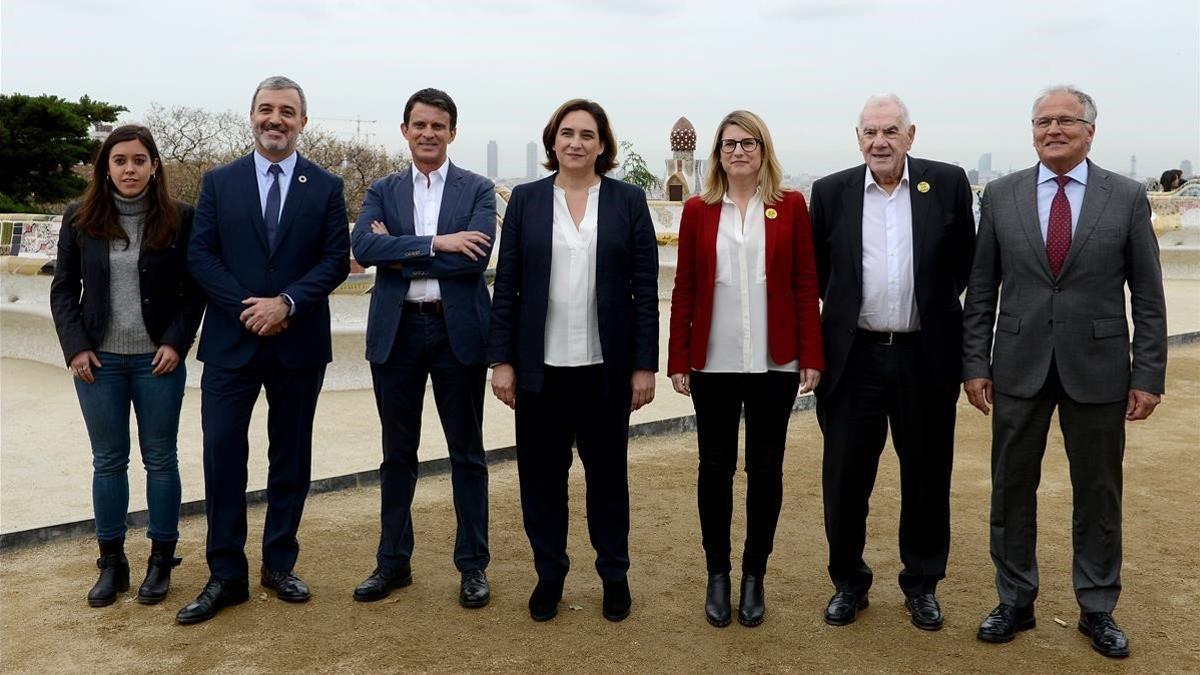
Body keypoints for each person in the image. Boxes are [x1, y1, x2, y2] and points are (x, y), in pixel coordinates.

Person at [963, 86, 1167, 658]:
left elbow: (1148, 296)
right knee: (1009, 488)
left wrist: (1148, 373)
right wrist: (974, 362)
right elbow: (982, 290)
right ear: (1032, 131)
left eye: (1065, 121)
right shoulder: (1001, 197)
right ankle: (1015, 599)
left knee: (1099, 493)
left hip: (1099, 370)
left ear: (1090, 131)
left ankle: (1097, 607)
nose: (1053, 129)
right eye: (1042, 121)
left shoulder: (1124, 197)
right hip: (1017, 367)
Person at [177, 75, 350, 624]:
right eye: (266, 110)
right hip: (231, 344)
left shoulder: (324, 186)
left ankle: (279, 564)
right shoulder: (218, 182)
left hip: (298, 345)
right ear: (250, 116)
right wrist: (250, 308)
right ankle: (225, 575)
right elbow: (201, 256)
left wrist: (288, 304)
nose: (275, 119)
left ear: (303, 121)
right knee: (223, 457)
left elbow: (333, 258)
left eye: (287, 112)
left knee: (290, 458)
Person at [488, 99, 659, 623]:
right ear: (552, 141)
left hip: (605, 370)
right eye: (567, 133)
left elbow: (644, 290)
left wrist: (643, 364)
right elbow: (508, 285)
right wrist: (502, 361)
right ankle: (550, 575)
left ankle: (614, 574)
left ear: (602, 144)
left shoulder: (628, 200)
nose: (576, 143)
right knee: (541, 481)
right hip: (539, 372)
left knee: (608, 479)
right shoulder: (526, 200)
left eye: (588, 134)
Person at [810, 94, 976, 631]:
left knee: (927, 478)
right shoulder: (831, 192)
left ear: (911, 134)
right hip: (852, 361)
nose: (879, 142)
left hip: (923, 359)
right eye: (869, 132)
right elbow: (817, 273)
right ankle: (848, 584)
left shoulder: (947, 184)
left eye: (890, 131)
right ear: (857, 137)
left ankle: (922, 584)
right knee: (844, 480)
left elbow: (962, 266)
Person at [667, 111, 823, 627]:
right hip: (713, 360)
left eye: (748, 142)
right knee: (715, 469)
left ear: (763, 149)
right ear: (717, 153)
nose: (738, 151)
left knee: (765, 470)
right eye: (729, 143)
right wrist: (678, 357)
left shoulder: (789, 207)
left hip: (774, 361)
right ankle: (718, 573)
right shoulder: (698, 210)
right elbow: (684, 286)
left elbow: (805, 284)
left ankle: (755, 574)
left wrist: (811, 356)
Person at [349, 88, 496, 608]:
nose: (428, 133)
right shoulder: (383, 189)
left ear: (452, 131)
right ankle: (393, 562)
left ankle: (473, 566)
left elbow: (474, 257)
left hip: (457, 331)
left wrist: (400, 250)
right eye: (419, 125)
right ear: (405, 130)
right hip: (398, 332)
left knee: (467, 455)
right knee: (397, 454)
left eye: (438, 125)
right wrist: (436, 243)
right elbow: (363, 248)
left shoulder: (477, 189)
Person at [50, 125, 205, 608]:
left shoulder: (180, 218)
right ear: (106, 168)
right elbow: (63, 290)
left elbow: (193, 290)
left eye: (139, 160)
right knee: (108, 461)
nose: (130, 169)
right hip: (99, 362)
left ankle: (161, 559)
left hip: (157, 361)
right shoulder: (80, 218)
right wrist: (76, 347)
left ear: (154, 166)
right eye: (120, 161)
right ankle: (112, 563)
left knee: (161, 459)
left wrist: (177, 342)